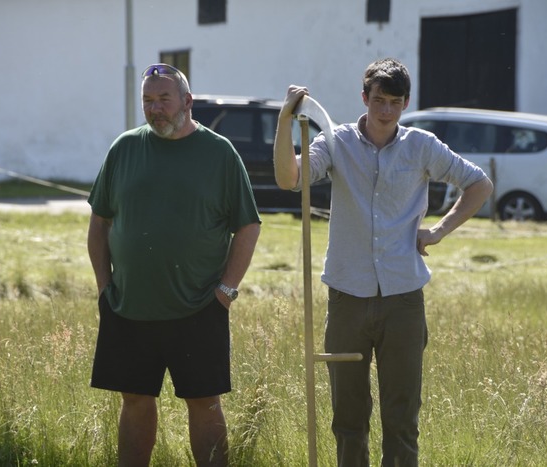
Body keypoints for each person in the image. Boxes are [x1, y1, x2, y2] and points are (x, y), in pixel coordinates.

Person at [273, 58, 493, 466]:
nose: (386, 110)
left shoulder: (421, 145)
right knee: (348, 418)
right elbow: (290, 178)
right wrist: (285, 120)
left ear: (406, 103)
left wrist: (438, 230)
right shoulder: (336, 141)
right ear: (364, 98)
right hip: (347, 297)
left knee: (402, 417)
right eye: (379, 100)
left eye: (395, 102)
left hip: (403, 298)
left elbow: (479, 184)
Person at [87, 63, 261, 467]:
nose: (155, 108)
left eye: (164, 99)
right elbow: (99, 223)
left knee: (204, 402)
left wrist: (225, 292)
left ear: (187, 101)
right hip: (129, 306)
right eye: (148, 100)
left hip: (199, 307)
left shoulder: (219, 153)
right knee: (134, 400)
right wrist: (104, 288)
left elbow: (248, 226)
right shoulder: (124, 148)